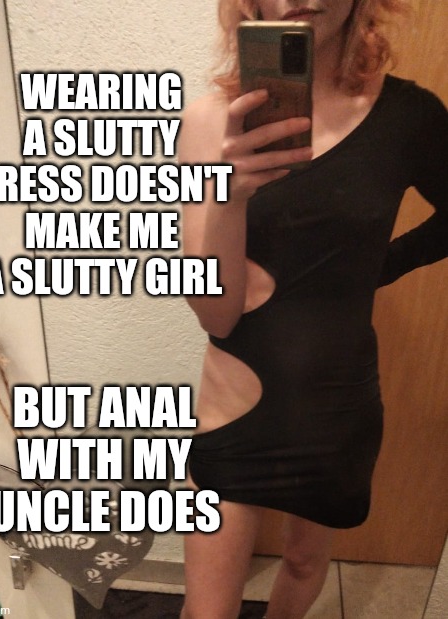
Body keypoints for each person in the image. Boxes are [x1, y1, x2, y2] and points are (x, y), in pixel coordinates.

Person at [178, 1, 448, 617]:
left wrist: (380, 267)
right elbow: (217, 316)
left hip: (338, 403)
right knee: (206, 611)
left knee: (303, 564)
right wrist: (229, 197)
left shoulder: (410, 116)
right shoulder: (208, 122)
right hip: (233, 412)